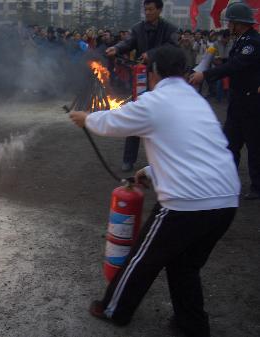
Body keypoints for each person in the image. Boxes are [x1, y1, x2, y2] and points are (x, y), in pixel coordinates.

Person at [70, 46, 240, 337]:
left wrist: (87, 119)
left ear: (155, 71)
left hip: (185, 203)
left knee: (142, 259)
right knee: (185, 265)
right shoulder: (195, 100)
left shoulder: (156, 100)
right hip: (225, 199)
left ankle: (113, 309)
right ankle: (192, 324)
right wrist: (149, 172)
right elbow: (192, 149)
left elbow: (115, 122)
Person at [190, 2, 260, 200]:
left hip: (251, 103)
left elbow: (237, 66)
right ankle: (227, 180)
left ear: (239, 23)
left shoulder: (251, 42)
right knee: (230, 144)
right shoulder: (242, 40)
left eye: (231, 22)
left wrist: (206, 75)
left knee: (254, 146)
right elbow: (232, 64)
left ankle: (257, 187)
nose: (228, 26)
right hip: (238, 102)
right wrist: (218, 64)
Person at [106, 0, 178, 172]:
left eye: (151, 9)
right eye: (145, 9)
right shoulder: (138, 28)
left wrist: (151, 54)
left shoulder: (170, 29)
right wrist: (116, 48)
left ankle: (164, 161)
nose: (148, 12)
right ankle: (128, 159)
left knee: (162, 118)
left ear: (159, 10)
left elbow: (172, 48)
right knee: (136, 115)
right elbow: (128, 43)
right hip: (140, 80)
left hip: (162, 80)